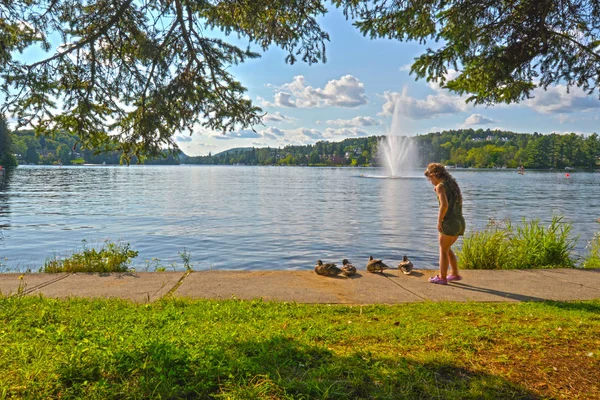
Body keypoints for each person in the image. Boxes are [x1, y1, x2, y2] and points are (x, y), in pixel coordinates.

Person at [424, 163, 466, 285]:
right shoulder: (452, 184)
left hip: (449, 222)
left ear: (433, 175)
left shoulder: (440, 186)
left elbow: (444, 205)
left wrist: (439, 220)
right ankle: (454, 274)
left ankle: (442, 277)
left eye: (430, 179)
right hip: (459, 222)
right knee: (447, 249)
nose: (430, 181)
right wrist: (438, 188)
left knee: (443, 250)